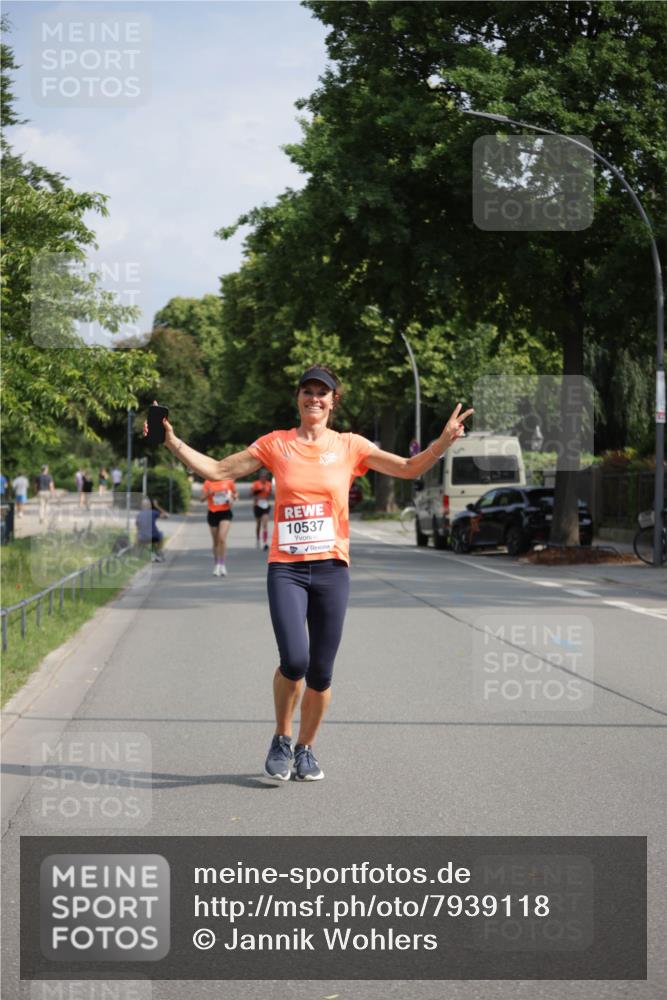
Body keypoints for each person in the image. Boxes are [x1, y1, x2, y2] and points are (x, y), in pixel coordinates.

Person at [144, 370, 472, 782]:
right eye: (307, 391)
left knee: (320, 672)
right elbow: (216, 470)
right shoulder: (276, 443)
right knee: (295, 660)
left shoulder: (350, 445)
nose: (314, 398)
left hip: (332, 569)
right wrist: (171, 441)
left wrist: (442, 443)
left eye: (322, 393)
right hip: (287, 569)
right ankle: (282, 738)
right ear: (297, 398)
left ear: (334, 401)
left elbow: (407, 468)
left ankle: (306, 749)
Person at [200, 475, 238, 576]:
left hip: (225, 512)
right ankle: (217, 564)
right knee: (216, 541)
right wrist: (208, 493)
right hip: (213, 513)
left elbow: (235, 494)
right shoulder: (208, 482)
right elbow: (201, 499)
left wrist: (233, 497)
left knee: (222, 538)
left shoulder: (228, 481)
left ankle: (222, 564)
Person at [135, 496, 168, 561]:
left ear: (142, 506)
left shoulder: (139, 515)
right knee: (161, 534)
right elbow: (166, 515)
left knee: (139, 539)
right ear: (149, 506)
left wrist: (137, 538)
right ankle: (158, 551)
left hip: (142, 538)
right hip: (154, 537)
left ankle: (137, 556)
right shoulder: (153, 512)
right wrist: (157, 506)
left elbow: (138, 527)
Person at [250, 469, 272, 550]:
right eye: (262, 477)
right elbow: (251, 494)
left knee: (265, 525)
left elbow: (270, 494)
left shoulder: (269, 484)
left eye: (265, 477)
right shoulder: (256, 484)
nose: (263, 478)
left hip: (265, 505)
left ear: (267, 477)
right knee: (258, 524)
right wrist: (258, 491)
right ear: (259, 477)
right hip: (257, 506)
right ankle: (258, 539)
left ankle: (265, 542)